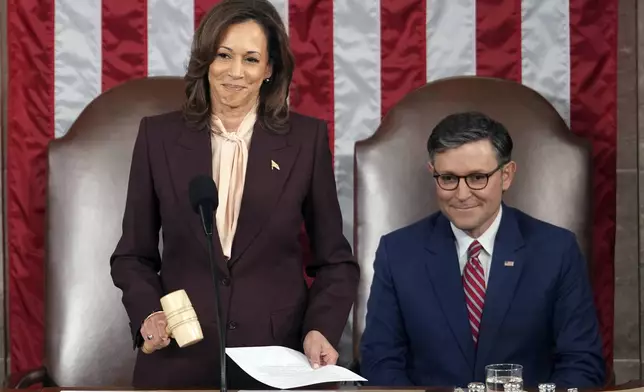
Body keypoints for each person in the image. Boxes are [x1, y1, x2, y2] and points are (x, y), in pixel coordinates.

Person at [109, 0, 359, 388]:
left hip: (279, 359)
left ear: (270, 69)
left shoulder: (305, 140)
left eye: (251, 59)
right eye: (224, 55)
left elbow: (335, 263)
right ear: (206, 60)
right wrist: (148, 314)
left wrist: (320, 328)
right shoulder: (157, 137)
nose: (235, 73)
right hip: (181, 359)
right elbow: (132, 256)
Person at [359, 111, 605, 388]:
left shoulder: (556, 250)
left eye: (477, 177)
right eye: (449, 178)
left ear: (507, 175)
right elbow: (380, 361)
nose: (462, 194)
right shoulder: (398, 252)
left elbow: (581, 362)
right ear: (433, 174)